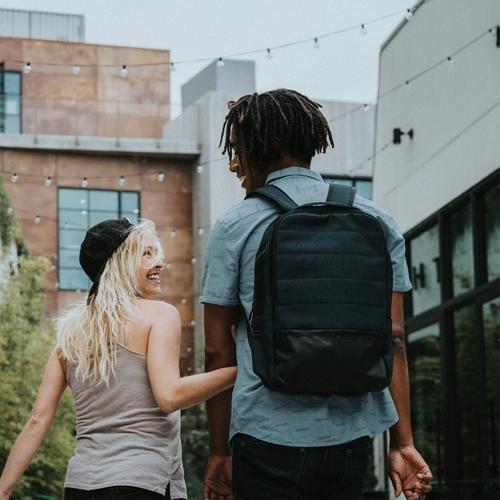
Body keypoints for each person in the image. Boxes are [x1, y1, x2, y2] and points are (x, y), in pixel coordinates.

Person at [201, 89, 433, 500]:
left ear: (259, 147)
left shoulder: (234, 226)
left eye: (237, 150)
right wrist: (403, 444)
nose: (234, 163)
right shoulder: (377, 219)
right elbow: (393, 337)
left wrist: (220, 451)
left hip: (266, 433)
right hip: (351, 437)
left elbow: (218, 352)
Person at [0, 218, 237, 500]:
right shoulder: (159, 315)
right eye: (145, 254)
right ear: (119, 264)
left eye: (156, 253)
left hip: (80, 486)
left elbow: (38, 419)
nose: (159, 262)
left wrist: (3, 489)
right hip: (139, 484)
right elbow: (170, 396)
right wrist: (241, 370)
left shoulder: (70, 334)